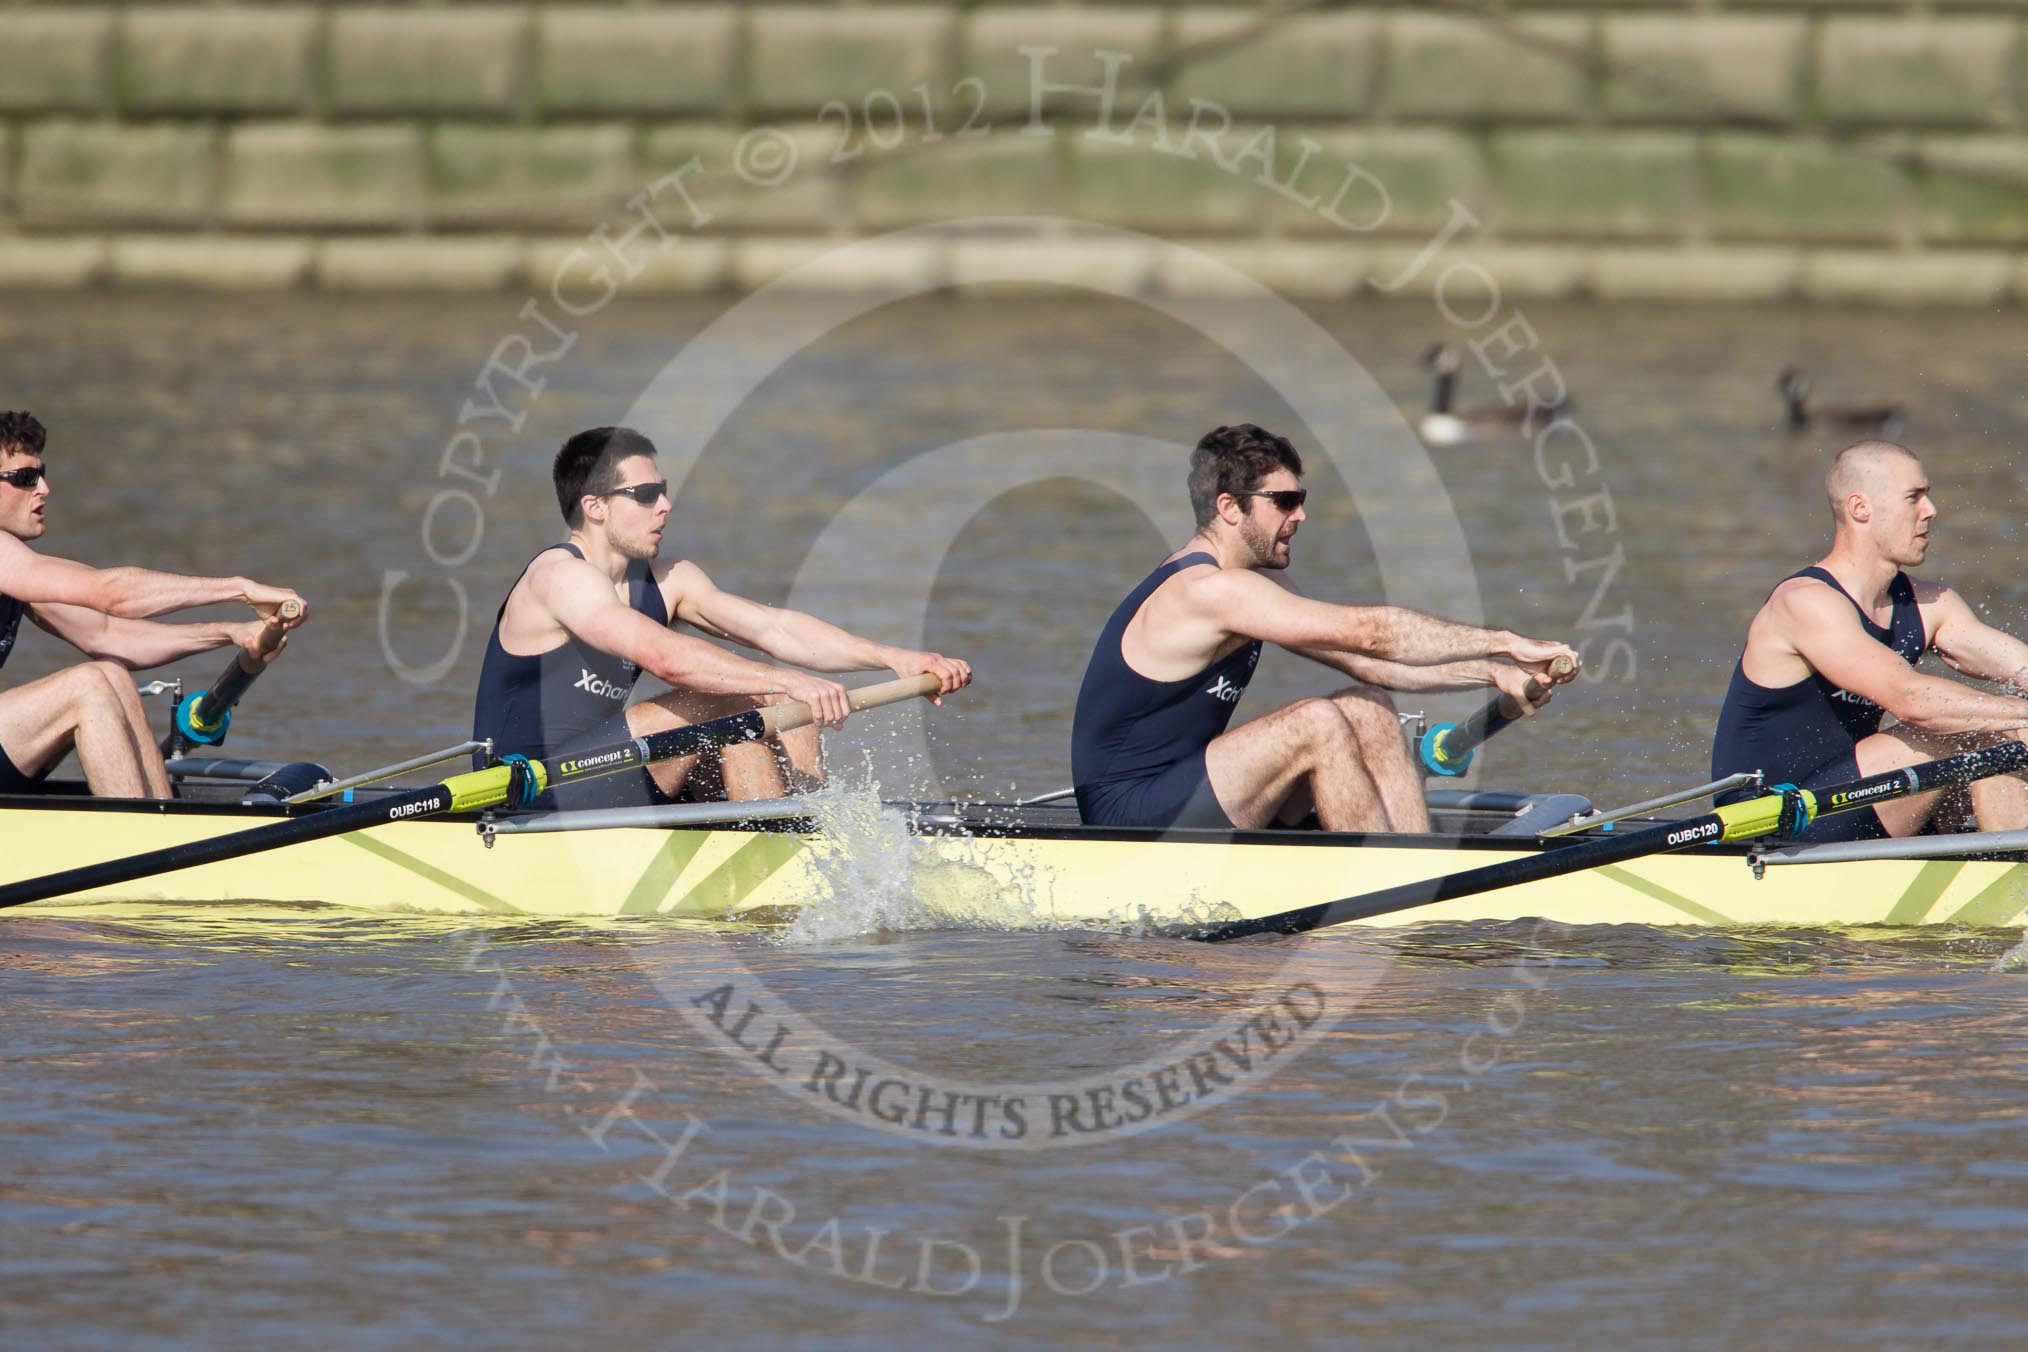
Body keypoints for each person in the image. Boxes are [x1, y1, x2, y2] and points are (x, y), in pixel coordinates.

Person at [1071, 423, 1580, 832]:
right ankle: (1385, 888)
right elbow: (1374, 634)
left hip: (1189, 788)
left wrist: (1492, 672)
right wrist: (1505, 642)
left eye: (1302, 498)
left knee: (1369, 706)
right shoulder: (1208, 590)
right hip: (1128, 814)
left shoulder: (1251, 583)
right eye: (1284, 501)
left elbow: (1368, 660)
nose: (1301, 515)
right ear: (1229, 507)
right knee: (1315, 722)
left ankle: (1413, 870)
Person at [472, 426, 970, 809]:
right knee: (732, 700)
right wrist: (787, 681)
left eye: (663, 490)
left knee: (772, 705)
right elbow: (665, 658)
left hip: (612, 771)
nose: (665, 506)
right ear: (594, 507)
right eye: (645, 495)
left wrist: (895, 658)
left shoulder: (669, 580)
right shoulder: (560, 577)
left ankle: (809, 827)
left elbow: (775, 629)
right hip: (527, 788)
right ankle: (784, 850)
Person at [1711, 439, 2028, 840]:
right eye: (1913, 497)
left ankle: (2001, 858)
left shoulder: (1931, 604)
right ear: (1860, 508)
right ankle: (2012, 869)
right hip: (1775, 817)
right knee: (1981, 735)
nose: (1931, 510)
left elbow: (2019, 666)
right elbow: (1913, 701)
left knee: (2004, 743)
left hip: (1858, 799)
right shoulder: (1805, 603)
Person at [0, 411, 307, 799]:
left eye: (42, 473)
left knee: (111, 673)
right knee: (89, 685)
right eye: (26, 477)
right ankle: (141, 830)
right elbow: (111, 594)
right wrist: (239, 588)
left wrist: (231, 632)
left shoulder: (19, 572)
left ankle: (161, 817)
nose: (44, 488)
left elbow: (109, 634)